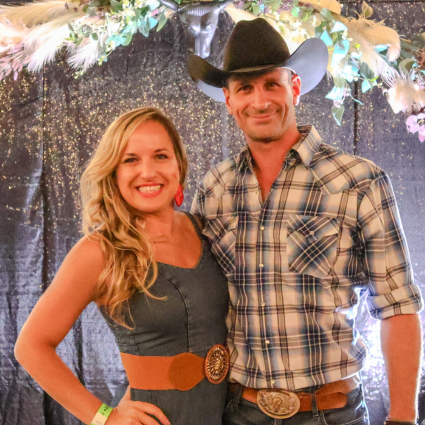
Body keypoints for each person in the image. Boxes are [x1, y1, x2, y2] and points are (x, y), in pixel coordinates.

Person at [187, 18, 424, 425]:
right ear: (229, 101)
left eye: (271, 84)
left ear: (294, 87)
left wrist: (402, 415)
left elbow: (399, 306)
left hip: (332, 414)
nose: (259, 101)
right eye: (244, 88)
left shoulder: (359, 181)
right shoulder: (214, 190)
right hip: (240, 412)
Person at [14, 107, 230, 425]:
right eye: (131, 160)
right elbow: (30, 346)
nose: (148, 172)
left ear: (179, 165)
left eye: (160, 156)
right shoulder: (99, 251)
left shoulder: (205, 228)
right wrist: (105, 417)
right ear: (113, 172)